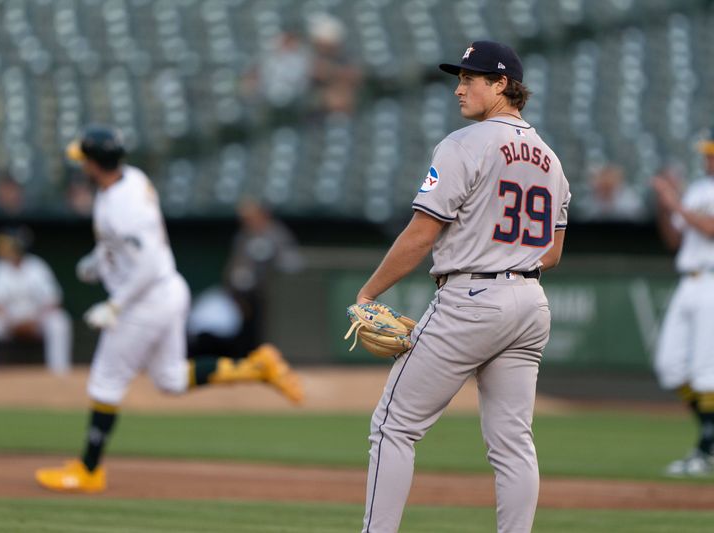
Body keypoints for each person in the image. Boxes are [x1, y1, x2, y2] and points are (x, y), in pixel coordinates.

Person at [355, 41, 570, 533]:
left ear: (501, 85)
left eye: (470, 78)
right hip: (531, 304)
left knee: (393, 426)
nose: (459, 88)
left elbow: (421, 234)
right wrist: (509, 259)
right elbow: (552, 253)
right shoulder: (551, 160)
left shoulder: (463, 145)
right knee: (513, 443)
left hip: (471, 300)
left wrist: (368, 294)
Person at [35, 125, 304, 494]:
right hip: (166, 290)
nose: (81, 166)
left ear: (95, 164)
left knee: (106, 381)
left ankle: (88, 470)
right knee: (171, 379)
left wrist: (115, 304)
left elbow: (144, 264)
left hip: (146, 299)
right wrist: (99, 261)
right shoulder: (129, 179)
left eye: (84, 160)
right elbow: (122, 245)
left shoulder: (122, 206)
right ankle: (256, 367)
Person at [652, 128, 714, 476]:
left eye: (711, 152)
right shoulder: (700, 188)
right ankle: (711, 438)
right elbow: (675, 239)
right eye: (706, 152)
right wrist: (665, 207)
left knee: (707, 373)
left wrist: (673, 199)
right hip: (688, 280)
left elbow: (710, 229)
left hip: (712, 281)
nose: (707, 157)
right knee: (670, 365)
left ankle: (705, 450)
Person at [0, 226, 72, 378]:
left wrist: (35, 320)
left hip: (37, 319)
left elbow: (54, 300)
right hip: (8, 319)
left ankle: (59, 373)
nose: (2, 248)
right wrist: (11, 321)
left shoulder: (37, 266)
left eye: (7, 244)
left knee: (60, 320)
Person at [224, 199, 304, 354]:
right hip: (248, 296)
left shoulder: (276, 233)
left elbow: (291, 261)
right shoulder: (243, 237)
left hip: (275, 297)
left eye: (251, 216)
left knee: (270, 329)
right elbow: (235, 266)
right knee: (247, 331)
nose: (248, 221)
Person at [574, 164, 646, 221]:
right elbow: (583, 216)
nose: (608, 181)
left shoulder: (630, 198)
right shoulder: (590, 199)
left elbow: (638, 218)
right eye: (604, 178)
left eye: (611, 178)